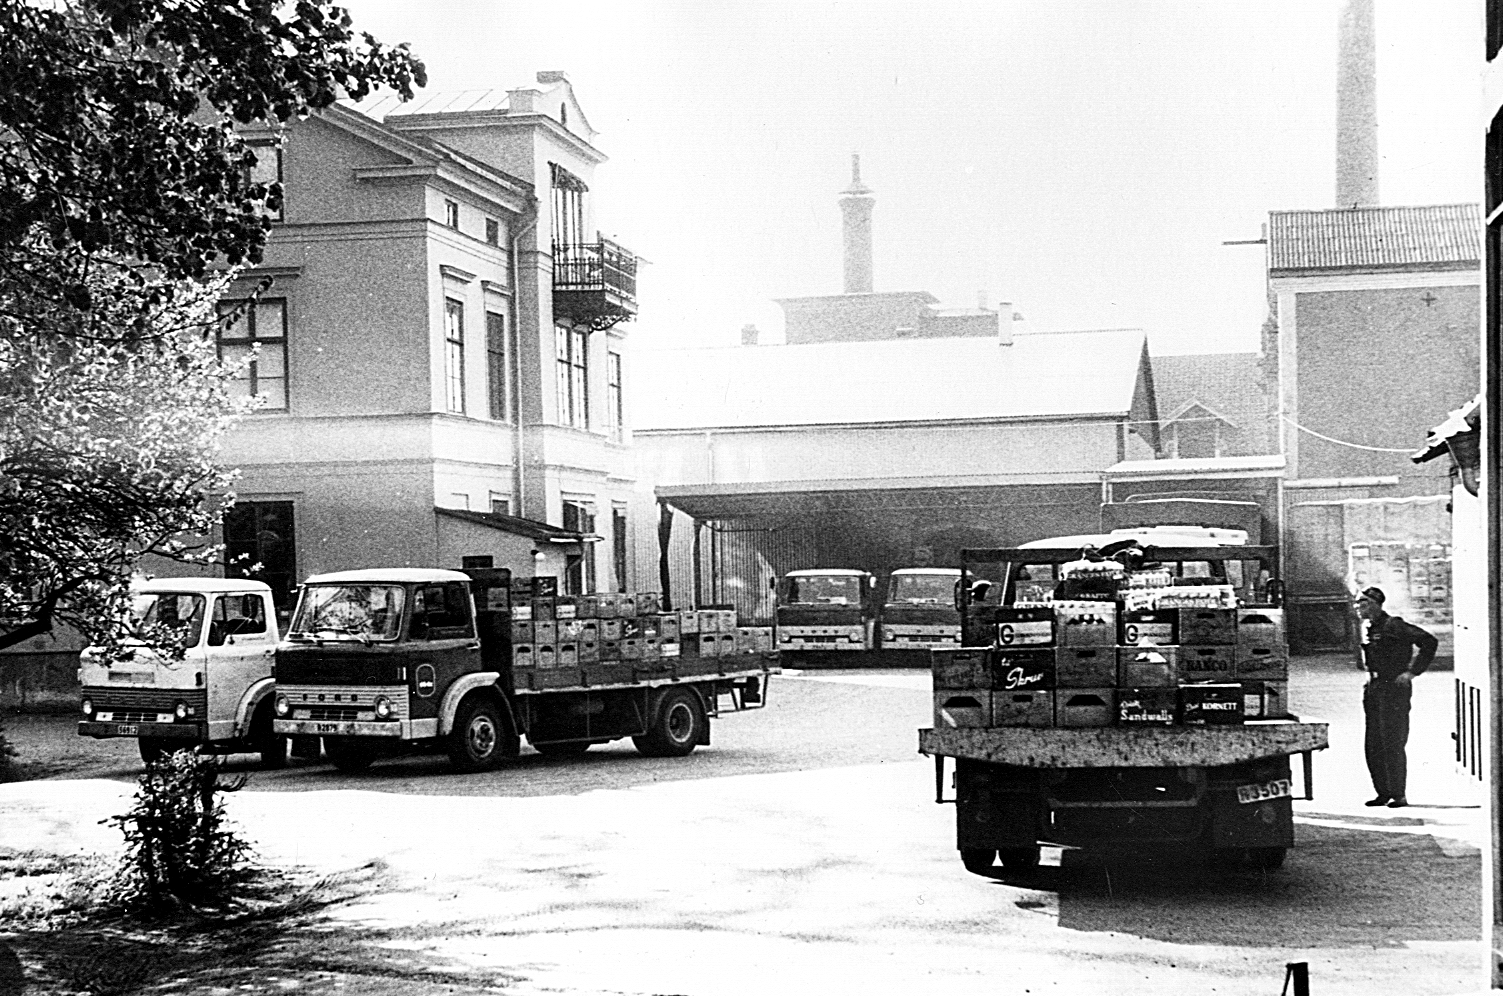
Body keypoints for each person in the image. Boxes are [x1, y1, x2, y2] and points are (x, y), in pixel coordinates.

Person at [1355, 586, 1438, 809]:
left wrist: (1412, 672)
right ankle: (1383, 792)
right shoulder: (1369, 628)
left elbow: (1429, 642)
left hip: (1394, 689)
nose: (1358, 609)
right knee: (1373, 744)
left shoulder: (1395, 625)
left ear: (1373, 605)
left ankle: (1398, 795)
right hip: (1374, 688)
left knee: (1392, 742)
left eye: (1361, 604)